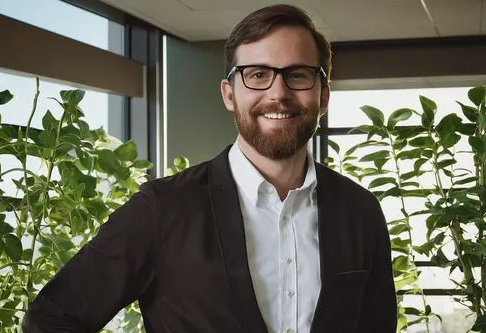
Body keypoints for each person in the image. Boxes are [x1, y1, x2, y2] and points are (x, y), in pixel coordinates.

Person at [22, 4, 397, 333]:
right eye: (257, 74)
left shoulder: (361, 211)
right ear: (229, 94)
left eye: (297, 75)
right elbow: (52, 320)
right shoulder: (162, 208)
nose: (278, 93)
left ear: (324, 95)